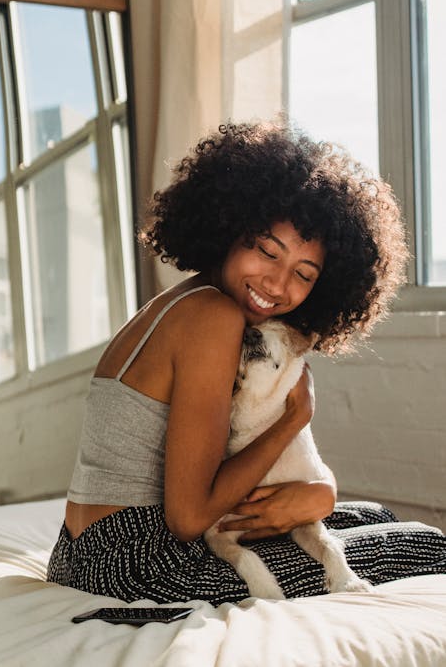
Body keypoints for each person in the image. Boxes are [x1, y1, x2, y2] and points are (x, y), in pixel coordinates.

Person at [47, 118, 446, 604]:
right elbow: (189, 518)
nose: (277, 285)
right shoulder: (212, 317)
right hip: (140, 564)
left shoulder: (180, 302)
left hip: (79, 552)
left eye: (302, 273)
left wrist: (318, 492)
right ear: (232, 226)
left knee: (373, 518)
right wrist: (295, 419)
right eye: (265, 250)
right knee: (426, 545)